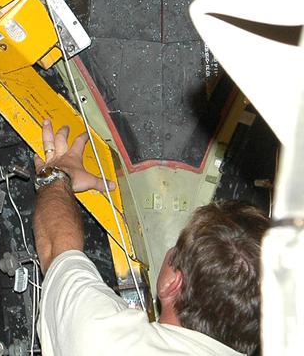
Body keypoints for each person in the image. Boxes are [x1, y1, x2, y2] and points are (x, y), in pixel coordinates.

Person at [33, 119, 268, 356]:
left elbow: (58, 251)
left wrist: (57, 173)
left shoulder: (109, 344)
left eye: (177, 247)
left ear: (172, 283)